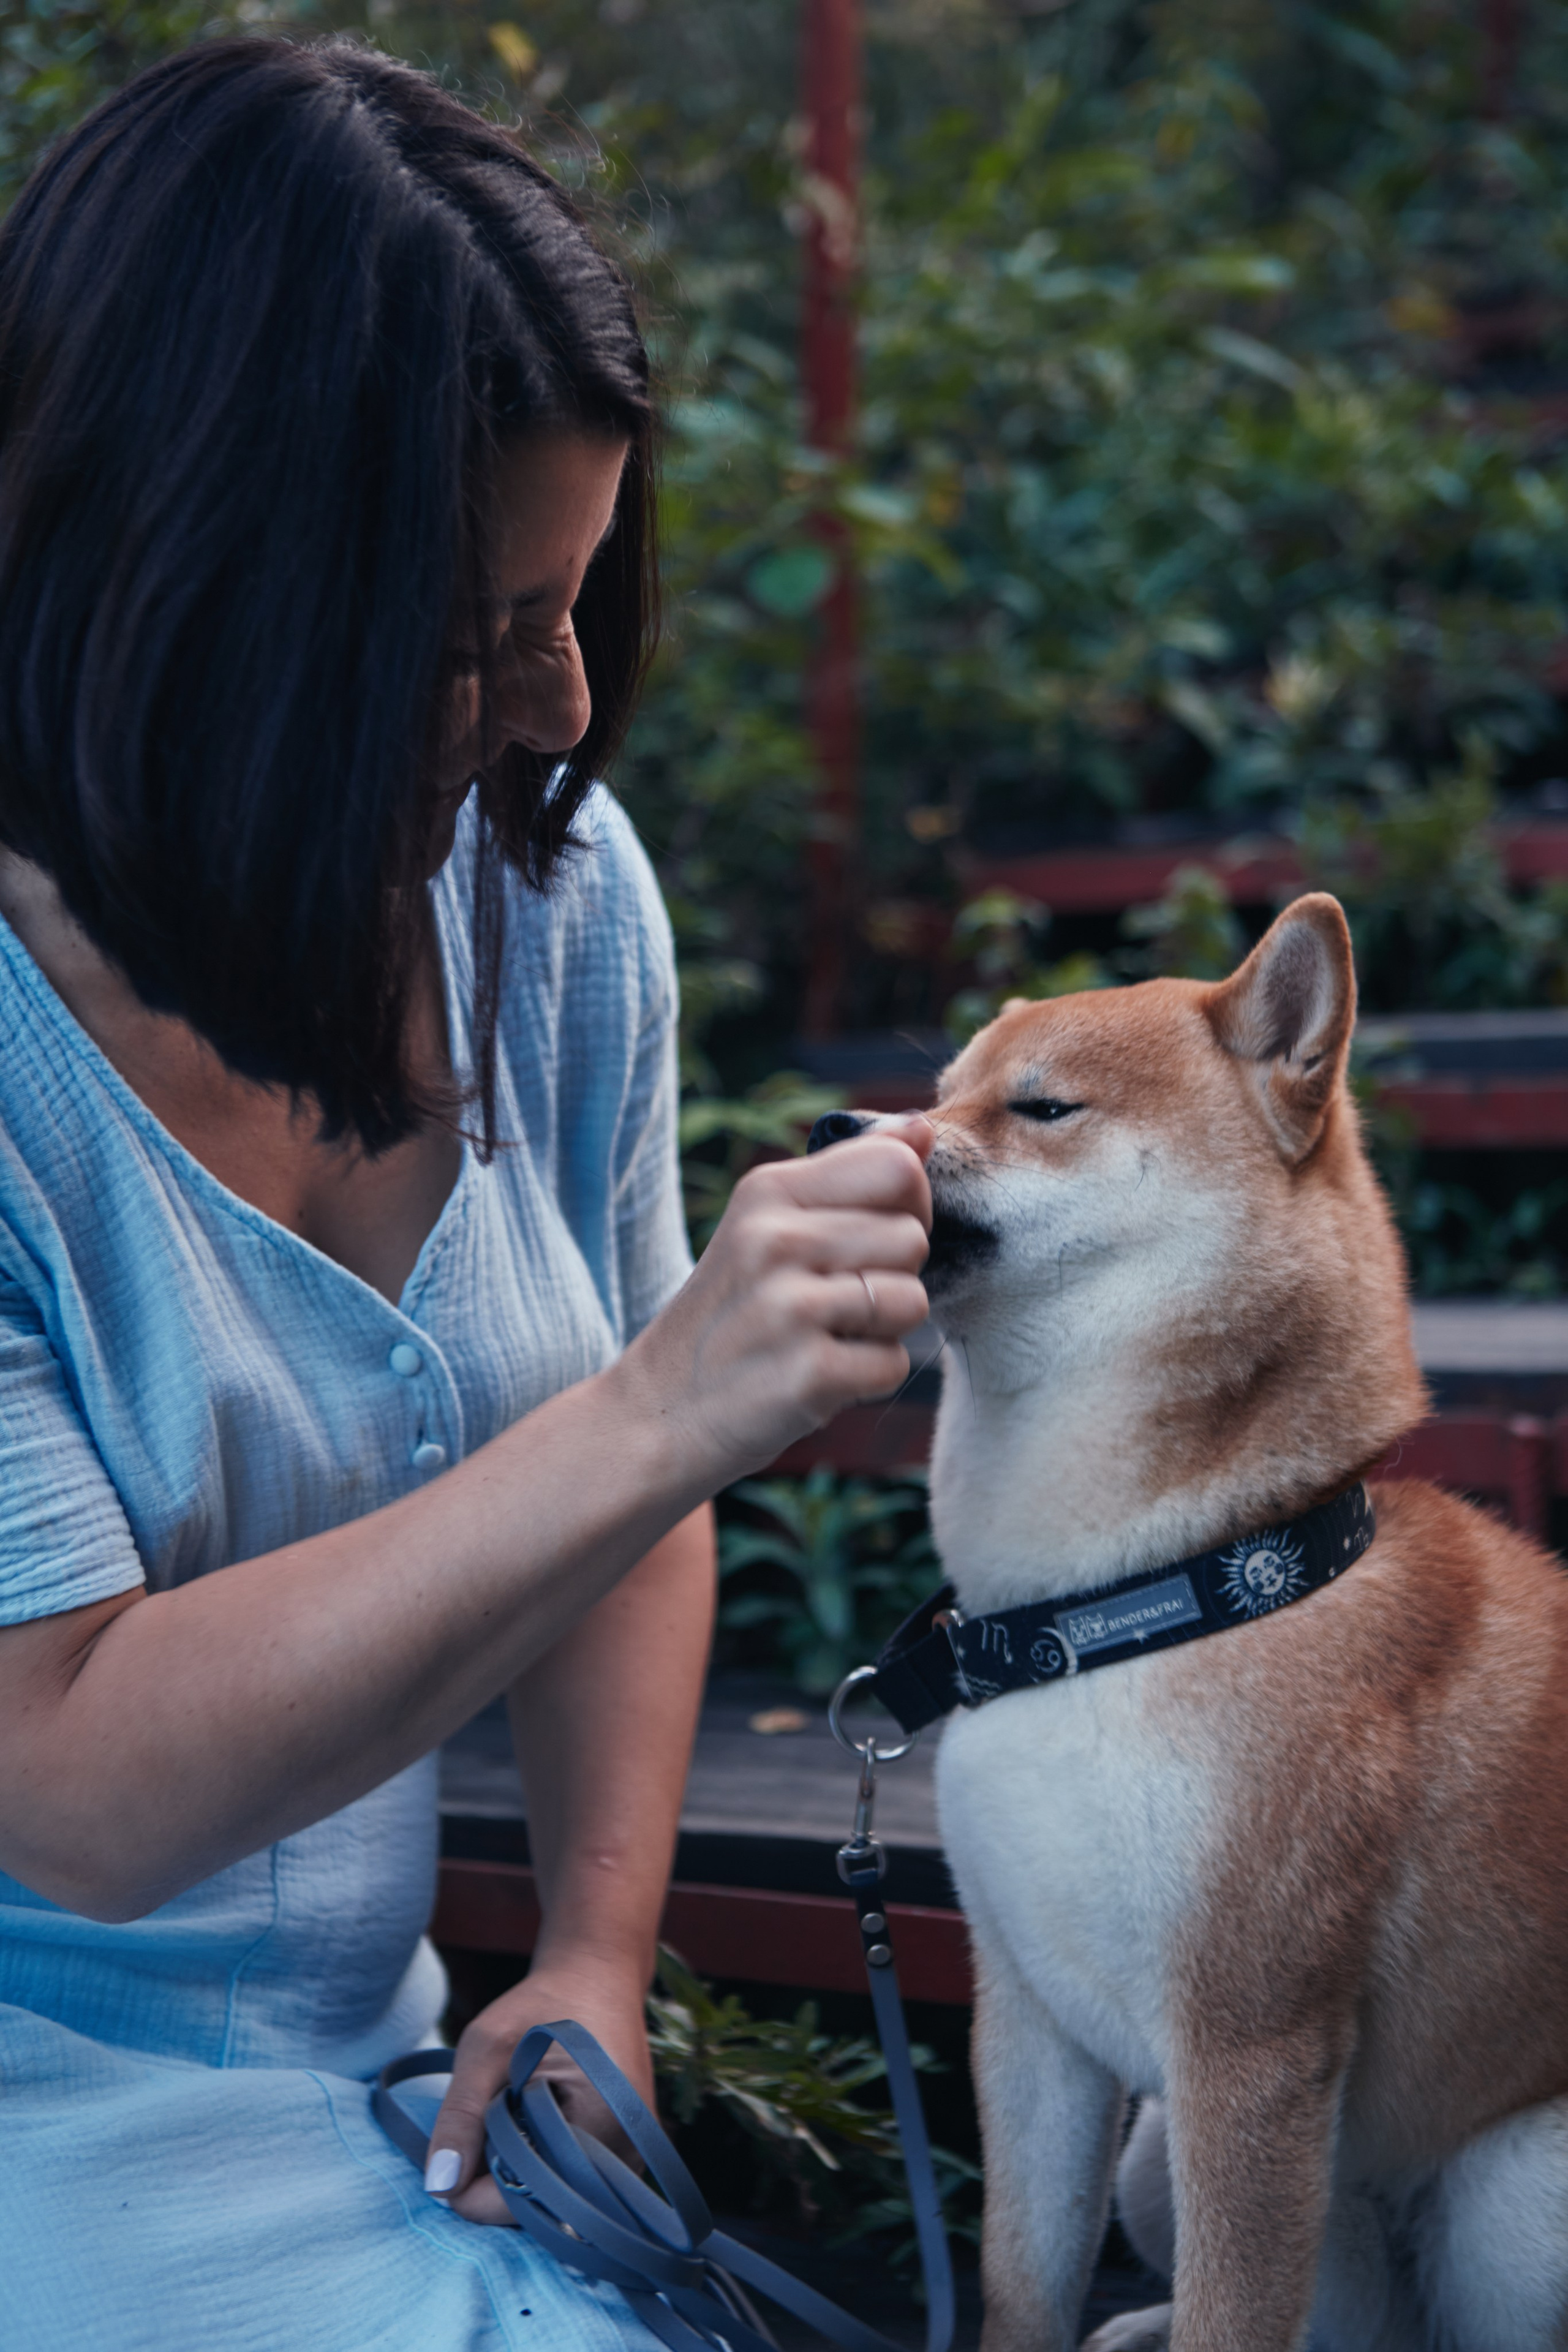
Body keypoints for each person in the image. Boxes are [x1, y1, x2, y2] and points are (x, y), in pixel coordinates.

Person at [0, 38, 933, 2350]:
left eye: (575, 602)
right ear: (185, 593)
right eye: (466, 635)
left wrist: (594, 1956)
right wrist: (666, 1402)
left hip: (377, 2084)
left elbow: (630, 1508)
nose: (557, 707)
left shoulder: (544, 896)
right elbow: (73, 1782)